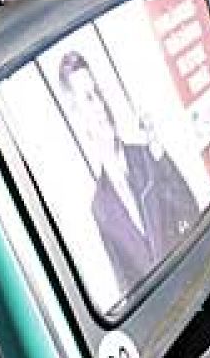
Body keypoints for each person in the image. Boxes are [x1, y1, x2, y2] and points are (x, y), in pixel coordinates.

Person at [56, 50, 199, 289]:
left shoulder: (148, 156)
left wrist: (160, 155)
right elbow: (126, 284)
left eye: (99, 93)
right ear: (77, 115)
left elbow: (190, 210)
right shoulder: (100, 206)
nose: (101, 105)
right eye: (89, 98)